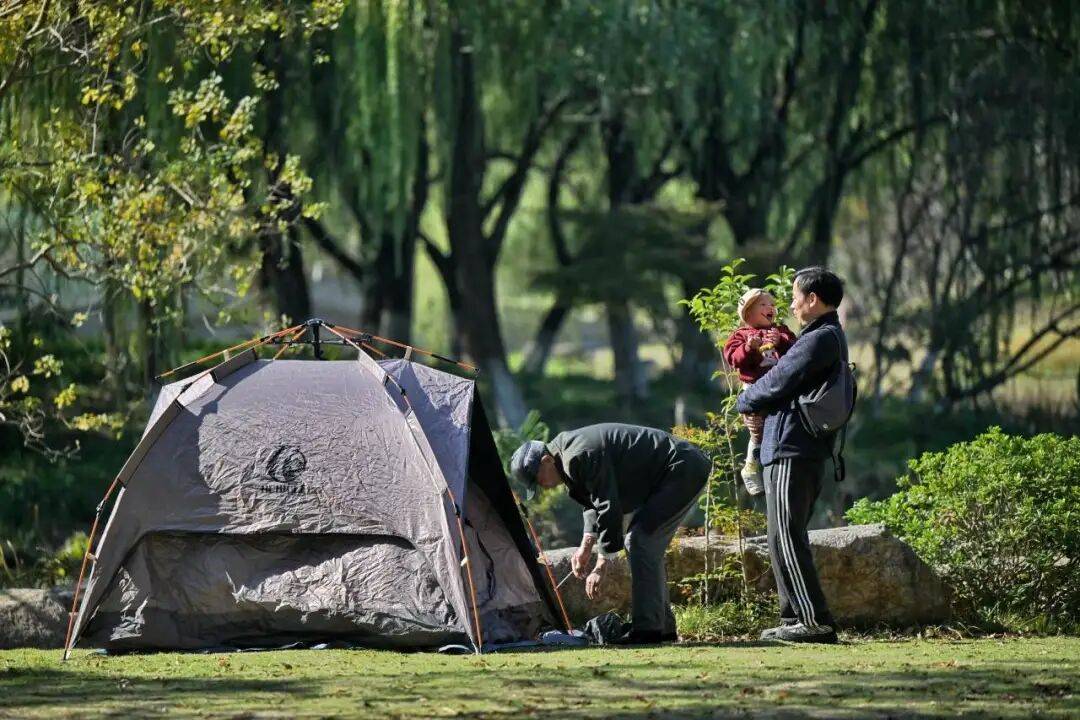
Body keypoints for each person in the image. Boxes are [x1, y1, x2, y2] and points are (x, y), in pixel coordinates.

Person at [510, 423, 710, 644]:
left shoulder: (578, 455)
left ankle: (648, 630)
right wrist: (585, 549)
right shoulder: (565, 456)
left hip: (681, 468)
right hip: (674, 472)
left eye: (539, 480)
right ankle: (661, 628)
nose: (543, 486)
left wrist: (601, 564)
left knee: (640, 542)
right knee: (644, 546)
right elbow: (592, 503)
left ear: (546, 461)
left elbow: (607, 507)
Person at [736, 266, 849, 644]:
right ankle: (794, 619)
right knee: (778, 535)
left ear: (813, 299)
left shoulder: (820, 338)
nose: (791, 303)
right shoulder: (819, 336)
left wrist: (745, 399)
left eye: (796, 296)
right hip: (787, 445)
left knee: (787, 535)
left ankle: (813, 621)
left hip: (793, 448)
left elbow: (778, 380)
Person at [722, 289, 798, 495]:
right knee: (757, 431)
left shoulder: (781, 331)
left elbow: (798, 353)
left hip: (780, 389)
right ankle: (751, 466)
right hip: (756, 390)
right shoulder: (740, 335)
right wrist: (749, 348)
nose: (770, 308)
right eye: (763, 305)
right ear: (747, 314)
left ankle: (777, 468)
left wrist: (781, 342)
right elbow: (733, 359)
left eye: (771, 304)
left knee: (781, 429)